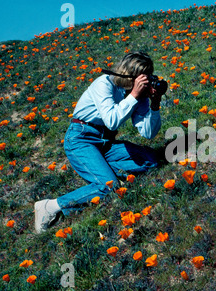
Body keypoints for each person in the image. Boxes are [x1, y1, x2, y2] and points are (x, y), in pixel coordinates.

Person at [34, 52, 164, 234]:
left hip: (105, 142)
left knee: (151, 159)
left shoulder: (138, 95)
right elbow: (111, 120)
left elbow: (148, 133)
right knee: (109, 187)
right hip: (81, 139)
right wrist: (134, 95)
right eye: (141, 77)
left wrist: (155, 103)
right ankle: (50, 206)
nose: (144, 82)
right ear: (129, 74)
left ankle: (102, 170)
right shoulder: (104, 83)